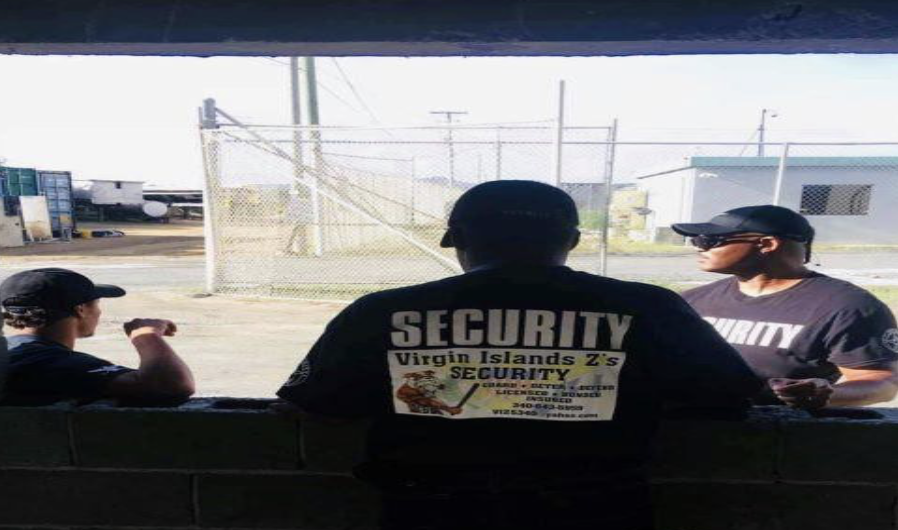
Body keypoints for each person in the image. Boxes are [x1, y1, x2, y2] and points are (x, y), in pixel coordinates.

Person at [276, 180, 760, 530]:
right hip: (595, 508)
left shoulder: (383, 311)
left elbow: (318, 403)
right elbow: (728, 394)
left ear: (457, 239)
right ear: (571, 240)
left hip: (430, 510)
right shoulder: (648, 306)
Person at [673, 205, 898, 410]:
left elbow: (882, 381)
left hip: (776, 438)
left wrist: (828, 394)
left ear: (768, 244)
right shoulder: (694, 299)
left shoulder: (848, 307)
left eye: (709, 241)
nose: (698, 248)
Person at [0, 267, 195, 405]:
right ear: (81, 310)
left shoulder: (12, 352)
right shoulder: (49, 362)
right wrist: (146, 335)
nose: (99, 312)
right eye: (97, 304)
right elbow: (171, 386)